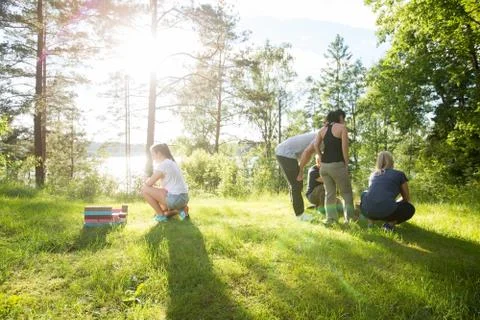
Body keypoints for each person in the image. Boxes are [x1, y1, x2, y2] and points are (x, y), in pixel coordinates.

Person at [314, 109, 355, 225]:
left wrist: (321, 158)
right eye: (343, 118)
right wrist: (346, 164)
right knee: (346, 193)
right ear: (339, 117)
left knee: (330, 193)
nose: (344, 120)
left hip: (324, 167)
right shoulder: (342, 128)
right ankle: (349, 220)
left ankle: (331, 219)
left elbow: (315, 145)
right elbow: (345, 148)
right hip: (337, 165)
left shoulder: (322, 130)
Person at [360, 151, 415, 231]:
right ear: (392, 161)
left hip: (368, 211)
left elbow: (373, 195)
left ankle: (370, 223)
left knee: (364, 193)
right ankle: (389, 225)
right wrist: (394, 203)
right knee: (409, 208)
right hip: (387, 212)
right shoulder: (399, 174)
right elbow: (406, 198)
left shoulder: (373, 175)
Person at [141, 143, 189, 222]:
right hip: (184, 198)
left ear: (159, 153)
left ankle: (161, 216)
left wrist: (145, 179)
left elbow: (148, 184)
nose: (152, 158)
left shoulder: (163, 165)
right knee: (162, 208)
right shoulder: (172, 163)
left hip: (175, 198)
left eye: (153, 155)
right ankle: (180, 210)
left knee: (144, 189)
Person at [275, 132, 317, 221]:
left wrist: (300, 168)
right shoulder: (321, 137)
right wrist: (300, 171)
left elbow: (308, 155)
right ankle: (300, 215)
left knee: (295, 184)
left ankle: (298, 212)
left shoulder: (319, 134)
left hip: (284, 152)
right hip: (285, 153)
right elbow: (307, 153)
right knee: (296, 184)